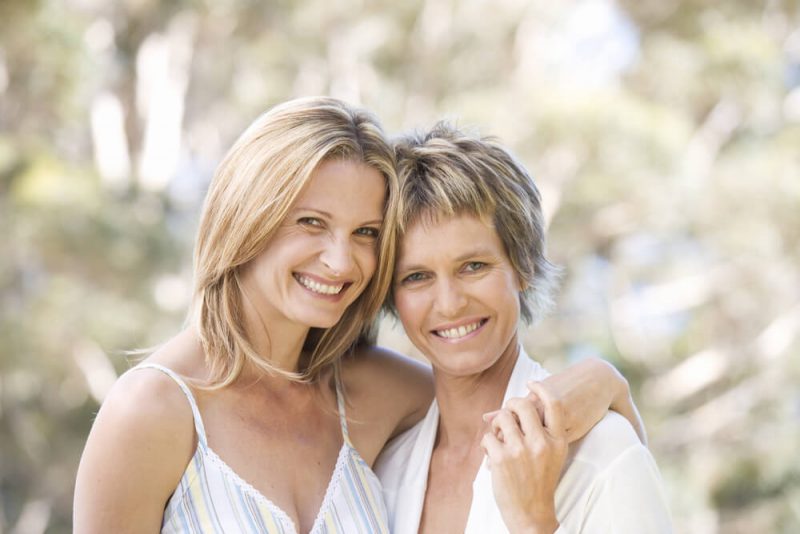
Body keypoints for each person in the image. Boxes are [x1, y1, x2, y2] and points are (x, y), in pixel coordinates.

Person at [74, 97, 646, 534]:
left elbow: (482, 392)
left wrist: (602, 380)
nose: (341, 259)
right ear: (246, 216)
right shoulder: (150, 414)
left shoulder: (367, 394)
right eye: (311, 222)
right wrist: (604, 381)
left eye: (366, 233)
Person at [375, 123, 673, 533]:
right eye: (417, 277)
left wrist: (533, 523)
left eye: (473, 266)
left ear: (523, 267)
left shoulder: (604, 452)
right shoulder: (383, 473)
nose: (449, 303)